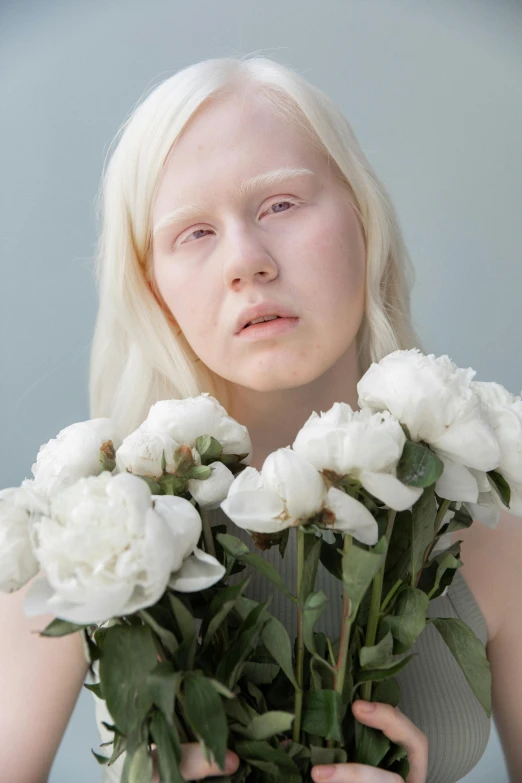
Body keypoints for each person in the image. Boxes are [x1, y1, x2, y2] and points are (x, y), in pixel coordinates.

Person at [1, 55, 520, 783]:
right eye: (194, 232)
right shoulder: (77, 544)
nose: (246, 262)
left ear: (363, 218)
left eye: (279, 204)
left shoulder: (492, 529)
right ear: (152, 286)